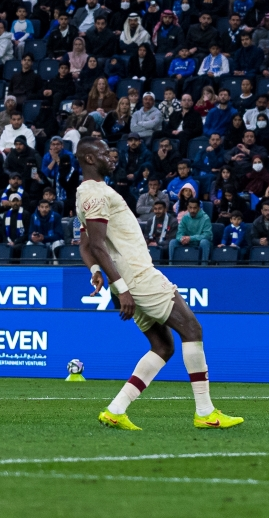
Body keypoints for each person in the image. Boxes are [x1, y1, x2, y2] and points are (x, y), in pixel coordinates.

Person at [75, 138, 243, 430]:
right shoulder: (96, 194)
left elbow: (86, 245)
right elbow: (99, 245)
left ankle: (116, 410)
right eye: (103, 152)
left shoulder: (85, 194)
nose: (111, 156)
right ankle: (205, 413)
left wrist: (95, 271)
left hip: (128, 280)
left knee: (163, 346)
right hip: (138, 277)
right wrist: (123, 287)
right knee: (192, 329)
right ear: (89, 158)